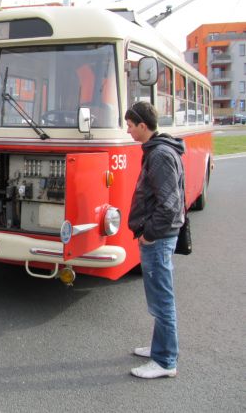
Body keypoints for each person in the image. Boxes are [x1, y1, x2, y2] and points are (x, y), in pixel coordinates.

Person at [125, 100, 185, 379]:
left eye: (130, 125)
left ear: (143, 125)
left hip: (158, 239)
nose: (128, 131)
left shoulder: (159, 154)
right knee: (159, 299)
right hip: (159, 237)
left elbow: (169, 204)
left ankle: (164, 361)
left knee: (162, 301)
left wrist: (148, 234)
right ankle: (159, 349)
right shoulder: (159, 150)